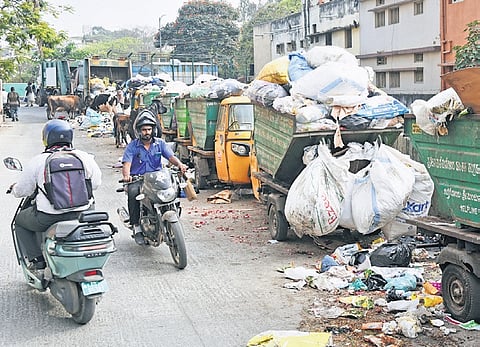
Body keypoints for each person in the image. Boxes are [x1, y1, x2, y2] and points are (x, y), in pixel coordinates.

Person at [11, 120, 102, 270]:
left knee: (19, 222)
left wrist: (14, 189)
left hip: (49, 217)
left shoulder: (39, 161)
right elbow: (96, 184)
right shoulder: (85, 157)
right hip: (83, 213)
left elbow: (23, 190)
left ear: (46, 138)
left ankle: (37, 260)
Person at [122, 109, 187, 244]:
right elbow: (127, 164)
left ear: (154, 130)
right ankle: (137, 226)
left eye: (149, 129)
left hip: (157, 178)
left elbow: (171, 157)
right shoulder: (132, 146)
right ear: (139, 131)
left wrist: (180, 165)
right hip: (138, 179)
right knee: (133, 192)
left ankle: (172, 215)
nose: (147, 132)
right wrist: (127, 176)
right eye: (144, 129)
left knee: (173, 189)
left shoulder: (160, 143)